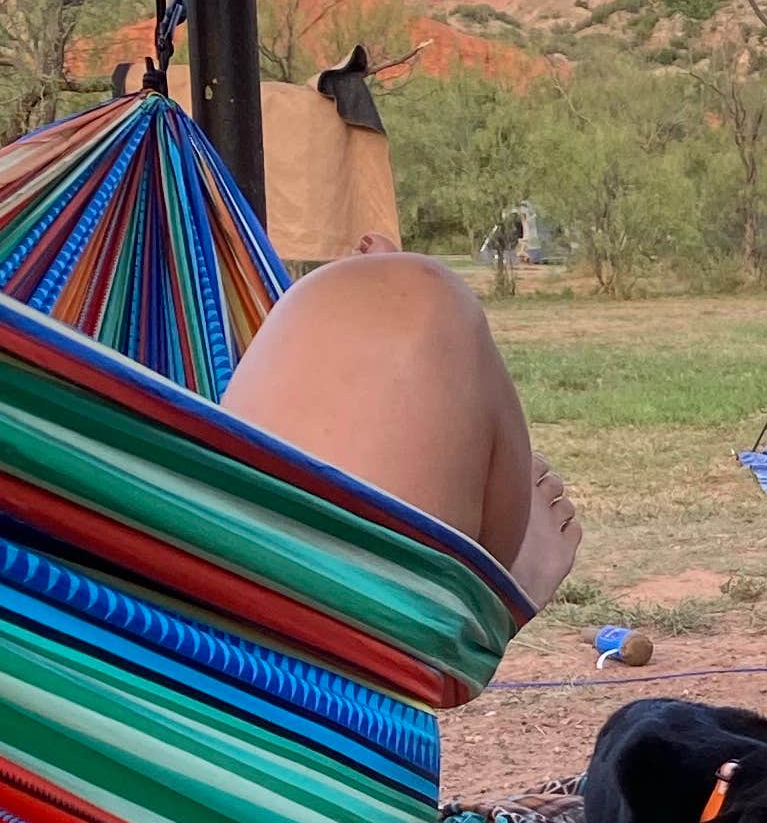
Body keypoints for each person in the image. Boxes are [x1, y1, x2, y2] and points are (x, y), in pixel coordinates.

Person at [220, 248, 584, 624]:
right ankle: (464, 624)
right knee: (413, 297)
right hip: (300, 661)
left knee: (388, 293)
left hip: (191, 631)